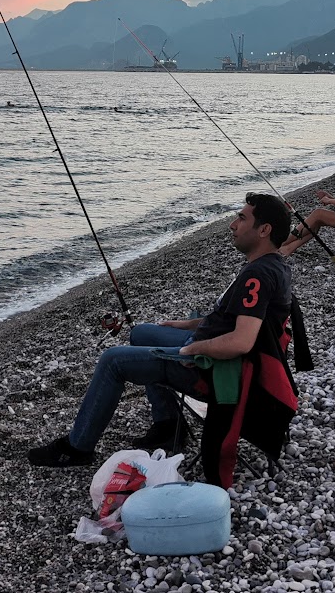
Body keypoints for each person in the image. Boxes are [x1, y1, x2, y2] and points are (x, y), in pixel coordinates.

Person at [26, 192, 293, 467]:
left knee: (112, 361)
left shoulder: (258, 276)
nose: (232, 225)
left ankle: (77, 448)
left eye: (241, 218)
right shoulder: (271, 265)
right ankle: (168, 426)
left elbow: (240, 341)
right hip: (210, 347)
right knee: (140, 333)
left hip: (214, 368)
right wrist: (186, 325)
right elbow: (235, 319)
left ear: (264, 230)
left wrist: (192, 348)